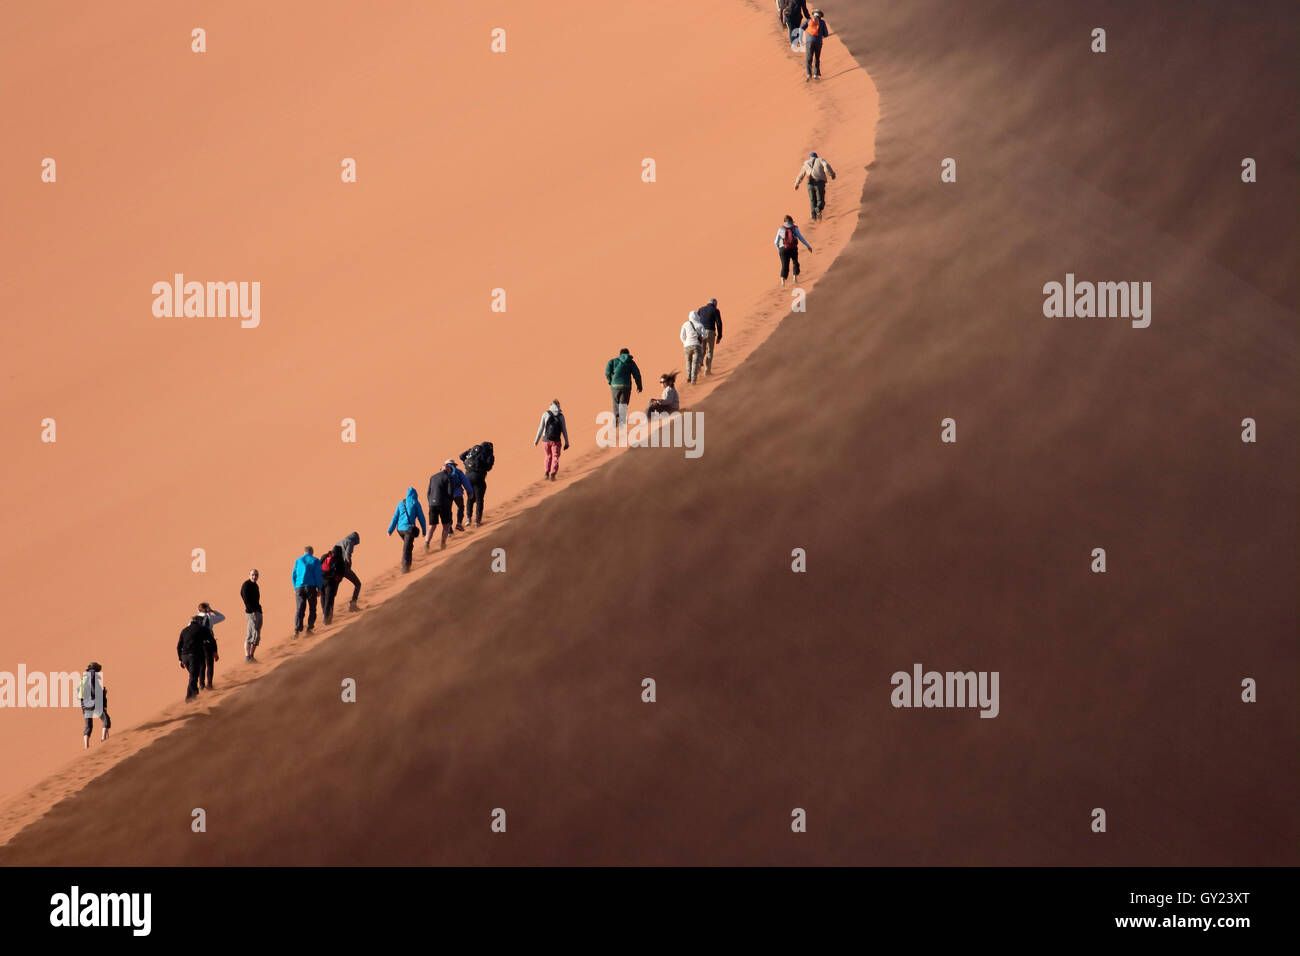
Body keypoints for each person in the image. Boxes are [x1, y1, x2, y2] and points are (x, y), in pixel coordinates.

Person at [387, 488, 426, 571]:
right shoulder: (415, 503)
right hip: (409, 530)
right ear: (415, 494)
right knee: (407, 548)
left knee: (408, 545)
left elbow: (395, 518)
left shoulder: (400, 503)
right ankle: (405, 568)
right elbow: (421, 518)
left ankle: (408, 564)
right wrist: (424, 530)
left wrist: (390, 530)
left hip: (400, 530)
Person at [177, 614, 213, 701]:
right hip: (193, 656)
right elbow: (211, 639)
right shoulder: (202, 628)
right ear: (199, 622)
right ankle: (189, 698)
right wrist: (214, 651)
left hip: (184, 656)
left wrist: (180, 659)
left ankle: (194, 692)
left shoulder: (184, 630)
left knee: (193, 675)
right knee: (193, 677)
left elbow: (178, 646)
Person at [604, 348, 643, 427]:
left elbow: (607, 372)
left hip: (615, 386)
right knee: (623, 404)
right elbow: (637, 374)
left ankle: (616, 420)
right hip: (626, 386)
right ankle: (621, 423)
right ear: (628, 354)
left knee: (615, 403)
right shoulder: (631, 362)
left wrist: (610, 381)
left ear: (620, 354)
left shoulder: (613, 361)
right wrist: (639, 386)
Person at [794, 152, 837, 221]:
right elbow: (826, 165)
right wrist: (831, 174)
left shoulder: (806, 163)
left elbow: (801, 174)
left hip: (809, 183)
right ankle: (819, 208)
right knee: (820, 199)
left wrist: (797, 183)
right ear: (816, 156)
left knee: (812, 200)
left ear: (810, 157)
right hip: (819, 182)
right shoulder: (820, 160)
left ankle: (813, 217)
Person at [533, 400, 570, 481]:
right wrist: (567, 442)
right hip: (556, 441)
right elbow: (564, 430)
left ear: (550, 405)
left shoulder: (545, 414)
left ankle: (546, 472)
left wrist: (536, 440)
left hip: (545, 440)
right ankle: (553, 474)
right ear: (558, 405)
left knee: (548, 456)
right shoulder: (561, 416)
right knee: (555, 457)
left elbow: (541, 428)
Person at [460, 442, 495, 527]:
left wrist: (470, 450)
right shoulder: (488, 453)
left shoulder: (473, 451)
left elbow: (461, 456)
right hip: (478, 477)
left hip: (467, 477)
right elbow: (489, 467)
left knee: (470, 498)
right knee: (479, 499)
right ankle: (477, 521)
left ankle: (468, 518)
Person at [291, 545, 323, 635]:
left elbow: (293, 575)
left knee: (299, 609)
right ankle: (309, 628)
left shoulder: (298, 560)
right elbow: (318, 576)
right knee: (312, 608)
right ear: (312, 552)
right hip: (311, 587)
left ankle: (297, 630)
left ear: (304, 552)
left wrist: (295, 587)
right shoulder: (315, 560)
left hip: (299, 588)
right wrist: (319, 588)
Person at [77, 662, 109, 748]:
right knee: (105, 719)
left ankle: (86, 746)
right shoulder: (92, 673)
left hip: (85, 705)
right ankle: (103, 738)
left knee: (88, 725)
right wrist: (100, 695)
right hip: (94, 702)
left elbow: (79, 694)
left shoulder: (83, 679)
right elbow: (94, 688)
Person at [774, 214, 813, 286]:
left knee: (784, 265)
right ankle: (795, 278)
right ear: (791, 221)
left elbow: (776, 242)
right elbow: (801, 238)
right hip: (793, 248)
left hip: (783, 249)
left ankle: (783, 282)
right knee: (795, 262)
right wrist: (808, 246)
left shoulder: (781, 229)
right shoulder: (795, 228)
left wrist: (779, 249)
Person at [426, 461, 457, 551]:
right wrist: (449, 502)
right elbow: (450, 492)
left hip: (432, 504)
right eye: (450, 470)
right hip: (443, 505)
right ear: (447, 470)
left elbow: (428, 492)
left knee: (432, 526)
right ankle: (443, 543)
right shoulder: (448, 478)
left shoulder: (433, 477)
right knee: (446, 526)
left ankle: (427, 543)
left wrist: (431, 502)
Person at [196, 602, 224, 689]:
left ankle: (201, 685)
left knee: (201, 665)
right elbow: (222, 617)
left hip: (198, 644)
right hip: (209, 643)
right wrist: (213, 611)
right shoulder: (210, 618)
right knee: (210, 664)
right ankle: (209, 684)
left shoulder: (194, 619)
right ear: (207, 609)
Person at [694, 298, 724, 376]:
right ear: (715, 304)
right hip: (710, 332)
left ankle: (697, 369)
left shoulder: (701, 309)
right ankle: (707, 372)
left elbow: (695, 321)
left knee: (702, 351)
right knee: (709, 352)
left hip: (701, 332)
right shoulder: (715, 310)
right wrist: (719, 336)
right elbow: (719, 323)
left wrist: (696, 333)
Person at [319, 544, 346, 624]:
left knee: (323, 598)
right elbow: (342, 572)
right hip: (331, 582)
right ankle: (326, 617)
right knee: (329, 599)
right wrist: (337, 581)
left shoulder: (324, 556)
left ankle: (324, 613)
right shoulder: (339, 559)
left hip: (321, 580)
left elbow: (317, 567)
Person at [240, 569, 262, 663]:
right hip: (251, 613)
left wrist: (259, 611)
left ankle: (252, 656)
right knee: (250, 635)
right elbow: (245, 599)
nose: (254, 576)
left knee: (257, 635)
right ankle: (247, 656)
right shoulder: (246, 585)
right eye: (252, 575)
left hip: (258, 612)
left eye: (256, 575)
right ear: (249, 575)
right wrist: (252, 610)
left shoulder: (255, 585)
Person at [802, 9, 831, 80]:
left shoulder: (809, 20)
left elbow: (801, 28)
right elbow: (826, 34)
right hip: (818, 42)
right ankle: (816, 74)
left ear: (814, 14)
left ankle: (809, 74)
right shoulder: (822, 22)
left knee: (809, 58)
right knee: (817, 58)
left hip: (809, 42)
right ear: (820, 16)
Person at [336, 532, 362, 611]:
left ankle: (327, 612)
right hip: (344, 568)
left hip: (336, 569)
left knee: (332, 591)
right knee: (358, 584)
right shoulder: (349, 542)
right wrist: (348, 567)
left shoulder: (339, 542)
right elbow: (347, 555)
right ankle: (353, 605)